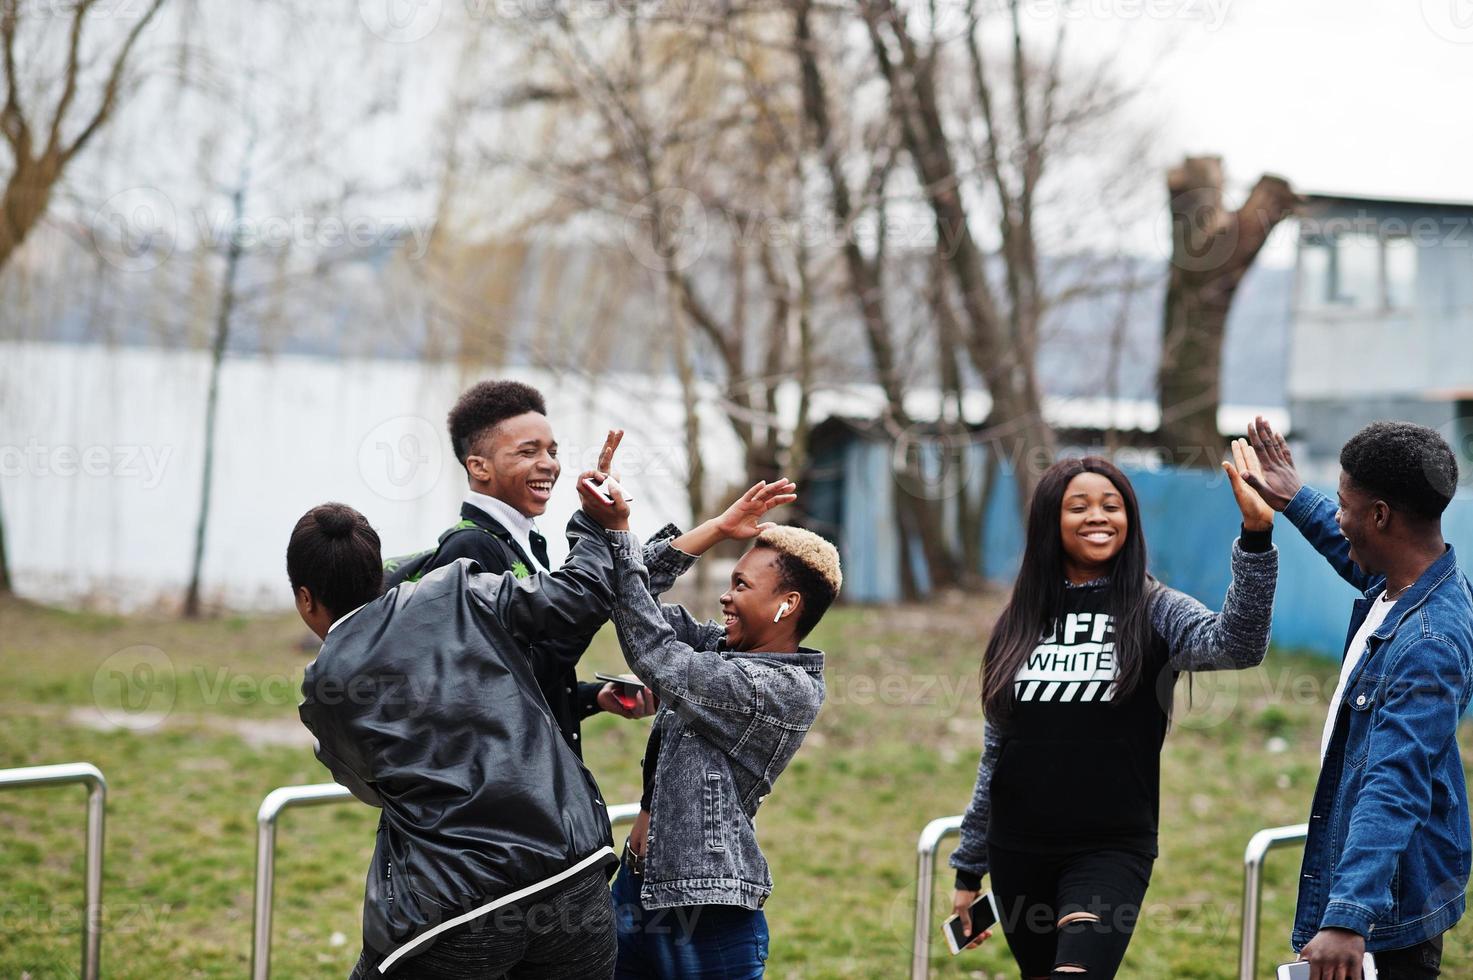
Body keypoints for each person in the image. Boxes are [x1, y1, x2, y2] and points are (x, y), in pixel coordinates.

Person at [290, 469, 641, 979]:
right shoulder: (456, 590)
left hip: (455, 909)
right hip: (572, 873)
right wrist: (590, 523)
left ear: (305, 597)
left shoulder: (323, 686)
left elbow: (371, 790)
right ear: (375, 571)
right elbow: (571, 601)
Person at [948, 450, 1280, 978]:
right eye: (1079, 506)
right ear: (1050, 521)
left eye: (1112, 505)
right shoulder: (1018, 620)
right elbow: (997, 753)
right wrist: (969, 869)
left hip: (1109, 848)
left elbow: (1236, 645)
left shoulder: (1154, 607)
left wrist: (1257, 538)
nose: (1098, 516)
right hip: (1017, 850)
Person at [1245, 418, 1472, 980]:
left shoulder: (1428, 642)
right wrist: (1295, 497)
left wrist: (1348, 917)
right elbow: (1350, 551)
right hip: (1384, 890)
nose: (1339, 517)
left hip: (1387, 911)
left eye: (1346, 504)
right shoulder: (1406, 583)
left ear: (1380, 516)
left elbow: (1395, 782)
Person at [601, 482, 838, 979]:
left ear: (787, 604)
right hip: (635, 892)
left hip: (706, 921)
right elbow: (624, 593)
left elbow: (657, 655)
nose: (726, 597)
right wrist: (716, 529)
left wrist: (620, 531)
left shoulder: (779, 687)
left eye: (742, 586)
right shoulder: (727, 648)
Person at [412, 380, 656, 757]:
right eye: (528, 452)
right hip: (499, 797)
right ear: (479, 467)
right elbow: (489, 693)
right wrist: (584, 597)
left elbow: (526, 675)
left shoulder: (525, 541)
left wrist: (593, 697)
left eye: (552, 450)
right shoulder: (469, 550)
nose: (549, 464)